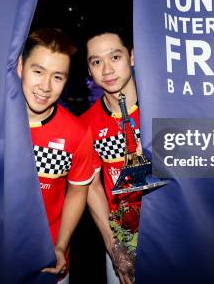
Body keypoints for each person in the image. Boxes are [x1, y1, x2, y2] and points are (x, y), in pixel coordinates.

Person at [17, 28, 95, 283]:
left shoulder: (77, 132)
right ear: (20, 66)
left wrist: (60, 245)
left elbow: (77, 191)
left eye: (57, 77)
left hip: (47, 258)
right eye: (38, 71)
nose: (46, 86)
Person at [80, 26, 142, 284]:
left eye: (115, 57)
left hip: (171, 231)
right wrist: (114, 247)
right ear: (89, 69)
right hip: (122, 239)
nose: (106, 70)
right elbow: (92, 187)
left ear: (132, 56)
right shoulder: (86, 125)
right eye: (97, 61)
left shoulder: (163, 108)